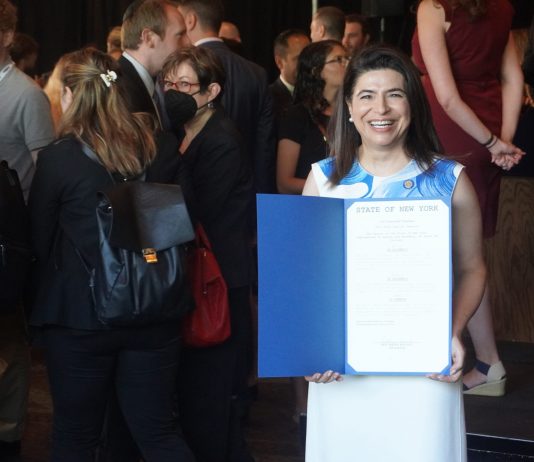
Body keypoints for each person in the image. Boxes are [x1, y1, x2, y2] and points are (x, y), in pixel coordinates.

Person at [302, 44, 486, 462]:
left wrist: (452, 331)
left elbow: (473, 268)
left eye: (395, 94)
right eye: (367, 95)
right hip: (341, 371)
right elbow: (307, 277)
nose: (380, 108)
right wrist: (313, 345)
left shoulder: (450, 181)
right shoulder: (322, 180)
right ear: (349, 108)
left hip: (425, 367)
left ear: (412, 106)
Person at [28, 47, 194, 462]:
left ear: (69, 94)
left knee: (75, 437)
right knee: (158, 433)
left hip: (80, 318)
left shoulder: (58, 159)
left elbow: (39, 240)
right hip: (156, 309)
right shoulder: (160, 146)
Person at [412, 0, 524, 396]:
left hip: (451, 133)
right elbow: (513, 77)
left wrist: (493, 143)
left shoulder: (434, 7)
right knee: (469, 255)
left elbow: (446, 97)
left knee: (455, 255)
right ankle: (487, 362)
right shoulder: (501, 7)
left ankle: (481, 360)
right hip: (487, 128)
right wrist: (502, 140)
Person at [162, 46, 254, 462]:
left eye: (185, 85)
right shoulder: (184, 130)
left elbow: (202, 211)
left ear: (211, 91)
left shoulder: (221, 139)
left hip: (219, 278)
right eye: (169, 83)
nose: (174, 92)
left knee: (211, 389)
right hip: (199, 273)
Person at [0, 1, 54, 457]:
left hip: (7, 246)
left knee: (9, 343)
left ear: (6, 37)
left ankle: (9, 433)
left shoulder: (26, 95)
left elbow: (44, 177)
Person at [177, 0, 276, 194]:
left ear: (190, 20)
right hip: (246, 193)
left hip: (195, 192)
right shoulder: (256, 73)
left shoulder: (180, 72)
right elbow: (265, 146)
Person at [277, 40, 348, 194]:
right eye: (338, 60)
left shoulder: (353, 112)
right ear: (317, 71)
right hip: (309, 202)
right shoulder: (297, 116)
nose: (347, 64)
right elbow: (284, 183)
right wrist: (333, 187)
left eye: (347, 58)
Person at [119, 0, 189, 130]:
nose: (188, 42)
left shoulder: (144, 82)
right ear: (149, 38)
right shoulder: (121, 93)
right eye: (180, 35)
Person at [270, 29, 310, 120]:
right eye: (299, 58)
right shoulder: (269, 99)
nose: (307, 63)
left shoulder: (320, 94)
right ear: (279, 62)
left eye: (309, 57)